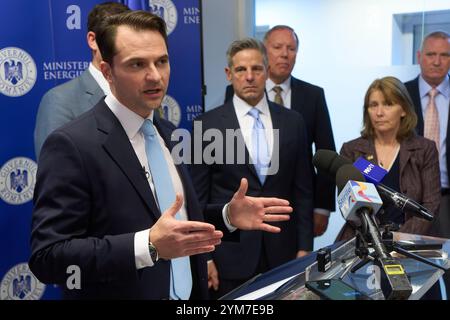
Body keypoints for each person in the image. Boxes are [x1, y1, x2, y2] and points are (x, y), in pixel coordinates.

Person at [29, 11, 293, 300]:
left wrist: (227, 215)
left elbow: (175, 223)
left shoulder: (166, 132)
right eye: (137, 64)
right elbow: (49, 258)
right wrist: (148, 246)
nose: (154, 75)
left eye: (162, 61)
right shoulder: (72, 144)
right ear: (107, 72)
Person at [192, 38, 314, 298]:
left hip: (284, 253)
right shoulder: (207, 125)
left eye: (256, 69)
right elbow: (198, 200)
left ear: (267, 71)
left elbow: (303, 190)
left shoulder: (293, 122)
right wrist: (206, 257)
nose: (249, 77)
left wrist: (305, 248)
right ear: (229, 74)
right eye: (241, 70)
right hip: (229, 255)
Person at [225, 25, 335, 237]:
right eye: (278, 47)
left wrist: (322, 207)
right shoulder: (236, 91)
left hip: (295, 202)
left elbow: (326, 154)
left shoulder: (313, 95)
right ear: (265, 52)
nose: (285, 54)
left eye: (291, 48)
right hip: (247, 207)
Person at [336, 76, 441, 242]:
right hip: (363, 242)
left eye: (388, 104)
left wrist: (398, 238)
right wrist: (376, 237)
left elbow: (431, 204)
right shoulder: (352, 150)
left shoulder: (424, 149)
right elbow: (347, 206)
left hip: (410, 241)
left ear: (404, 109)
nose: (379, 113)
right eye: (373, 105)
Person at [33, 2, 130, 158]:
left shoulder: (141, 93)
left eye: (129, 39)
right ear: (92, 40)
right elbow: (56, 172)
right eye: (114, 38)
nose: (123, 46)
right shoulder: (59, 100)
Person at [404, 30, 450, 299]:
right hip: (409, 201)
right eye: (431, 54)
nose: (437, 61)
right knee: (411, 275)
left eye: (444, 55)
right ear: (420, 57)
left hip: (447, 198)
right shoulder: (401, 94)